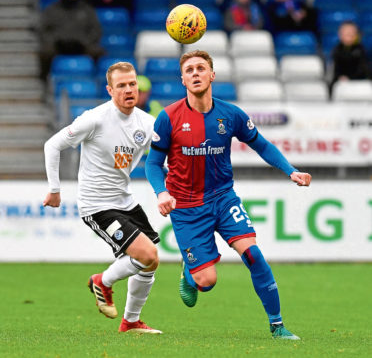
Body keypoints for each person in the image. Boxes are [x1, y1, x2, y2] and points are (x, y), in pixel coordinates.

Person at [145, 50, 312, 340]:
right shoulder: (168, 117)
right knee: (206, 282)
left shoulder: (231, 114)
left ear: (212, 74)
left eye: (201, 68)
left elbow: (261, 145)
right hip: (186, 206)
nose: (195, 73)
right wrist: (161, 193)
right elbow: (152, 163)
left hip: (223, 198)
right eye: (189, 70)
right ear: (182, 79)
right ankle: (190, 272)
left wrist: (290, 170)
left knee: (254, 254)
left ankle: (277, 326)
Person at [43, 62, 162, 334]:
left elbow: (165, 155)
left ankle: (131, 322)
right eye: (121, 85)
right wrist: (54, 188)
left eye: (132, 84)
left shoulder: (147, 122)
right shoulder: (94, 118)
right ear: (110, 89)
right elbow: (53, 145)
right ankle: (102, 281)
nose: (129, 89)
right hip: (96, 205)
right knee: (147, 254)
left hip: (125, 200)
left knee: (151, 261)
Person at [39, 0, 104, 81]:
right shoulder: (52, 10)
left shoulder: (87, 10)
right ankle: (45, 81)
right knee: (45, 52)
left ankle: (95, 82)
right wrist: (54, 40)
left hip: (82, 45)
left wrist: (85, 41)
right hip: (58, 45)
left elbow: (96, 30)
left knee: (98, 52)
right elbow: (44, 30)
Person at [330, 21, 371, 94]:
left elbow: (365, 71)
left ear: (356, 34)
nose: (348, 34)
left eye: (351, 32)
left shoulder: (362, 50)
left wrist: (350, 78)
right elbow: (335, 72)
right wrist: (340, 78)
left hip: (360, 86)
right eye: (345, 32)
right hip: (341, 86)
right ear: (340, 34)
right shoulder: (336, 51)